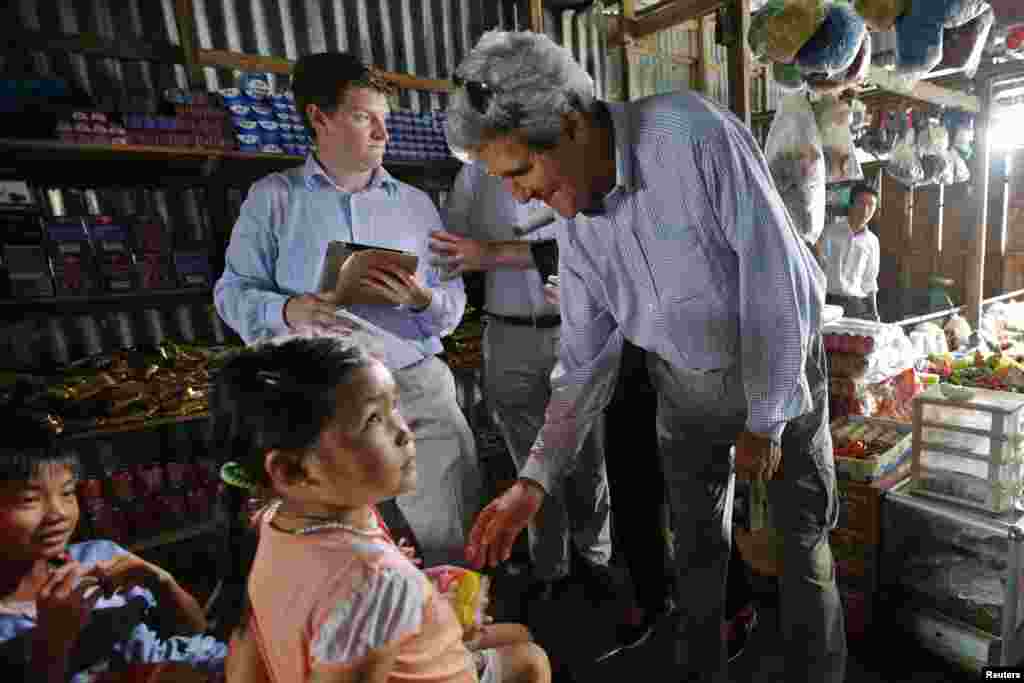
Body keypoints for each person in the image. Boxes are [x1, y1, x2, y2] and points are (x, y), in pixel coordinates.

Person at [446, 31, 844, 683]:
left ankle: (819, 672)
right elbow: (581, 364)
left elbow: (779, 281)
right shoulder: (574, 223)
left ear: (569, 123)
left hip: (779, 366)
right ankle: (702, 672)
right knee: (695, 553)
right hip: (683, 388)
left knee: (803, 549)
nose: (516, 198)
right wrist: (534, 479)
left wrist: (767, 418)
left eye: (519, 172)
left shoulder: (690, 136)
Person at [213, 52, 481, 564]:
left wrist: (423, 299)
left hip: (417, 391)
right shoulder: (274, 200)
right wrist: (294, 311)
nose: (382, 133)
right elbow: (232, 292)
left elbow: (451, 310)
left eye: (385, 119)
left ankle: (454, 637)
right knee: (345, 556)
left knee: (451, 542)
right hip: (321, 407)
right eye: (363, 117)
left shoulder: (416, 205)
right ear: (320, 118)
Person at [207, 335, 550, 683]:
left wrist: (423, 595)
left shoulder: (273, 521)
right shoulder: (376, 584)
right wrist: (404, 596)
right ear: (291, 470)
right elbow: (366, 595)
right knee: (530, 661)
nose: (404, 431)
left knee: (520, 635)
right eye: (373, 419)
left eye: (394, 406)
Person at [432, 162, 616, 621]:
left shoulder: (563, 166)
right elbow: (453, 248)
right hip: (507, 331)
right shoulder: (473, 175)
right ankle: (550, 568)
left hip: (574, 328)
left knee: (588, 455)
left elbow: (580, 246)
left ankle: (596, 560)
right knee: (526, 460)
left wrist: (490, 252)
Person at [0, 412, 226, 683]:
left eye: (67, 492)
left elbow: (195, 630)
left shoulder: (101, 556)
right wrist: (53, 643)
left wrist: (161, 581)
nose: (58, 513)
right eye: (29, 499)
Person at [818, 182, 881, 321]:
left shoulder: (872, 242)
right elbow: (819, 265)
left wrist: (874, 313)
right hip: (828, 302)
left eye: (871, 205)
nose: (865, 210)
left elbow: (869, 280)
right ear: (851, 204)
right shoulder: (830, 232)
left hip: (855, 306)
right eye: (861, 203)